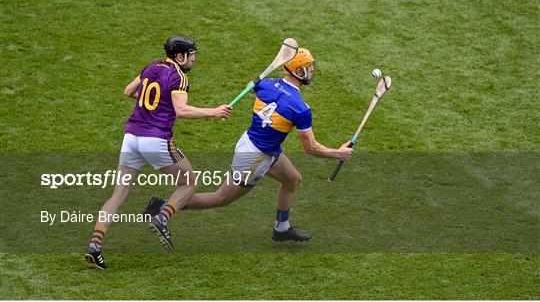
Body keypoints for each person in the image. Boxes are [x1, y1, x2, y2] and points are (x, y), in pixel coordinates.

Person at [144, 47, 353, 245]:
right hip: (256, 156)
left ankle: (282, 228)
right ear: (299, 71)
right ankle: (163, 208)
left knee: (293, 179)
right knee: (221, 197)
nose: (313, 69)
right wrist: (338, 153)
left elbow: (250, 86)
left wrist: (255, 87)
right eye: (309, 66)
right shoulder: (300, 108)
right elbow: (311, 148)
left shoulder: (266, 84)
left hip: (257, 144)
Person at [84, 35, 232, 269]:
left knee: (117, 196)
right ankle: (162, 217)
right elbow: (181, 110)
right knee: (190, 183)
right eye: (191, 55)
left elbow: (128, 91)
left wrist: (150, 99)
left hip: (131, 138)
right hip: (156, 140)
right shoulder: (179, 77)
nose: (194, 59)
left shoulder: (152, 66)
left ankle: (95, 245)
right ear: (179, 56)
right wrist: (213, 112)